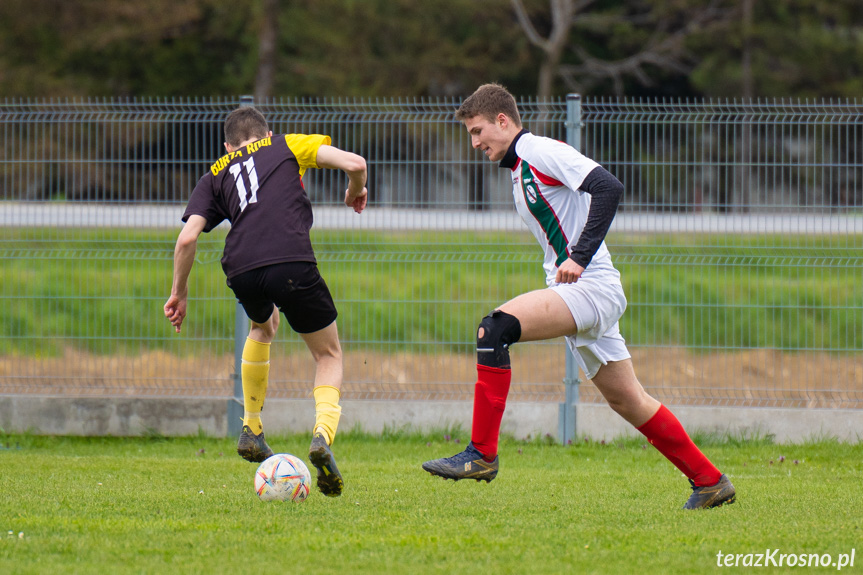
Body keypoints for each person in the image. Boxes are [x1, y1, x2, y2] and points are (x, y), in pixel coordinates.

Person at [422, 84, 735, 510]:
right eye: (470, 135)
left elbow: (609, 187)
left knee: (493, 328)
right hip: (578, 288)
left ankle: (481, 455)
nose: (475, 143)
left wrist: (580, 256)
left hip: (590, 287)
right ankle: (710, 482)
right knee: (627, 399)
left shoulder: (539, 151)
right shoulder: (519, 169)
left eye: (478, 132)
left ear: (502, 121)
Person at [164, 106, 367, 497]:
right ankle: (322, 436)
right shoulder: (286, 144)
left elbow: (187, 239)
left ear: (228, 144)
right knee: (328, 355)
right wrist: (354, 190)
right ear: (265, 132)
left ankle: (252, 427)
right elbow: (354, 163)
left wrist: (179, 291)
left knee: (263, 326)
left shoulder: (216, 171)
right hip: (290, 258)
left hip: (240, 267)